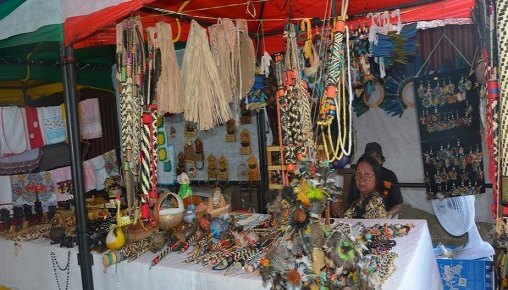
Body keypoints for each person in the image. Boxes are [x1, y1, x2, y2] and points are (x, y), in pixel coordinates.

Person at [347, 142, 403, 218]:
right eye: (370, 156)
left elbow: (398, 205)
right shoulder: (357, 176)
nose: (374, 159)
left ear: (382, 161)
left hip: (386, 217)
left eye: (377, 156)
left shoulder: (390, 176)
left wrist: (387, 215)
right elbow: (351, 203)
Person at [343, 155, 389, 219]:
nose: (361, 178)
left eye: (367, 174)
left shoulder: (374, 203)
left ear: (376, 178)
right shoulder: (361, 197)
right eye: (358, 173)